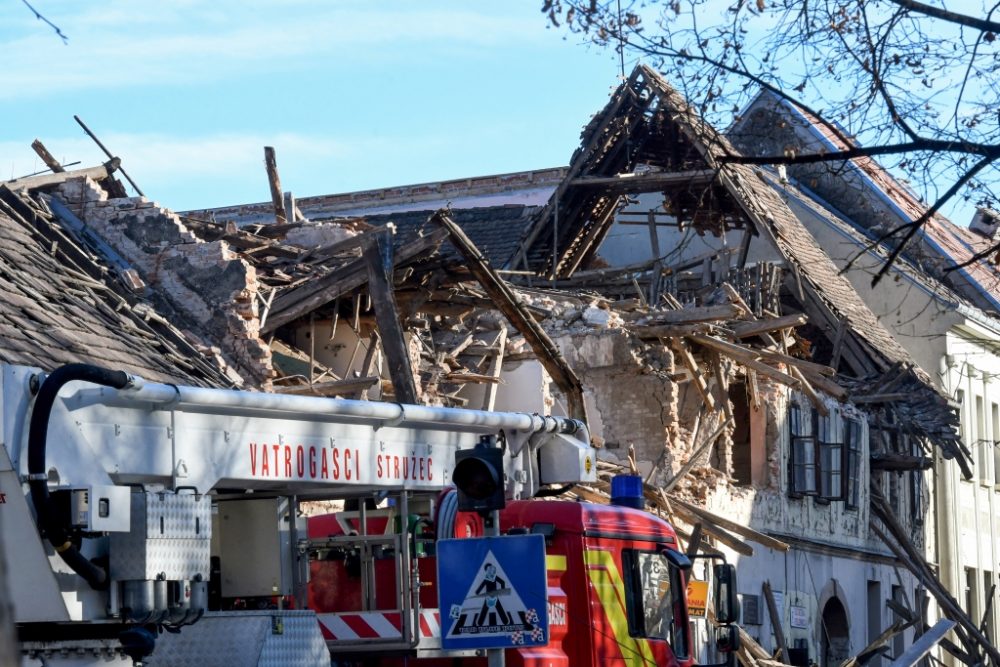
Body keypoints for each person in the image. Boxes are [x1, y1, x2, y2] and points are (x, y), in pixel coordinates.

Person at [475, 563, 510, 627]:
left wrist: (502, 591)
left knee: (499, 608)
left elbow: (502, 582)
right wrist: (477, 592)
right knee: (485, 609)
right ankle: (480, 623)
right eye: (488, 569)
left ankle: (505, 621)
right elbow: (482, 585)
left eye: (491, 568)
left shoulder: (495, 577)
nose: (490, 570)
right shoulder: (486, 578)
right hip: (488, 596)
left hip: (495, 596)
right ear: (486, 570)